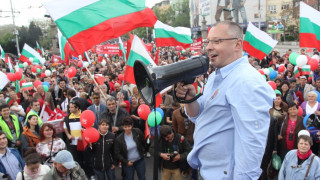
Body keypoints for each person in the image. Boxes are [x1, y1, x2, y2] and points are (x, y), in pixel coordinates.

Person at [175, 21, 275, 179]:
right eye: (208, 42)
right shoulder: (216, 75)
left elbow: (252, 143)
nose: (208, 47)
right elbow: (199, 116)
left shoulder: (246, 81)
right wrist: (190, 100)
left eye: (217, 41)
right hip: (208, 171)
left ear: (237, 44)